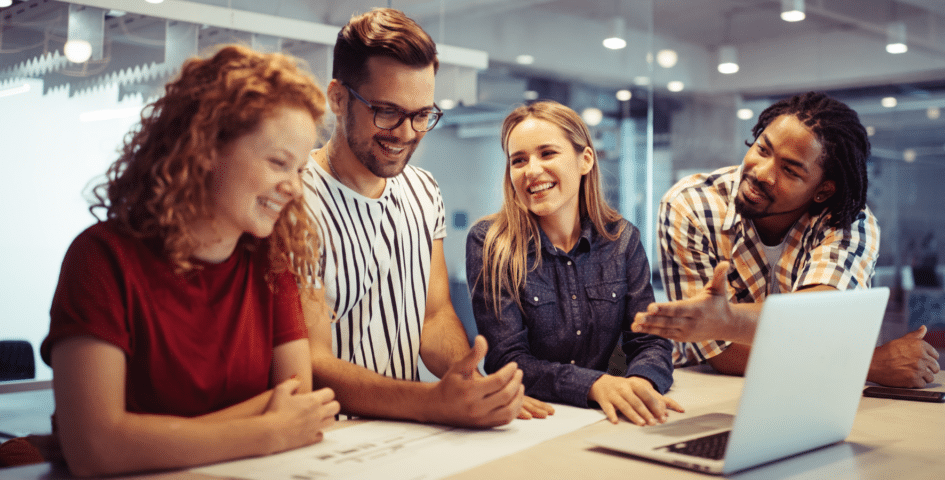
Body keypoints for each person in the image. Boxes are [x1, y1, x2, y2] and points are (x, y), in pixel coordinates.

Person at [39, 45, 340, 477]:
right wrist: (266, 431)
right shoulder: (101, 258)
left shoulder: (271, 262)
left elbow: (298, 399)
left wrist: (139, 439)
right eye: (278, 163)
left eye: (298, 171)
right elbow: (95, 449)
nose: (293, 188)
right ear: (205, 147)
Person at [301, 8, 525, 428]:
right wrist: (432, 402)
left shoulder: (423, 190)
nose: (406, 133)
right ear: (338, 97)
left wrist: (474, 386)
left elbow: (434, 317)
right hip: (329, 439)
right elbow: (312, 361)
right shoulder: (293, 198)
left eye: (422, 115)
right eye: (387, 112)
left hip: (406, 437)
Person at [633, 91, 941, 389]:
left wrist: (725, 320)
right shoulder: (691, 206)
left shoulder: (847, 220)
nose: (762, 173)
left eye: (790, 170)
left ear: (823, 190)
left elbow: (822, 317)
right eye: (762, 149)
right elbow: (720, 353)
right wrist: (867, 365)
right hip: (713, 393)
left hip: (816, 396)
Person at [466, 101, 683, 425]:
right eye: (519, 160)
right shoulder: (491, 243)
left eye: (547, 153)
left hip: (605, 416)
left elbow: (649, 339)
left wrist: (642, 383)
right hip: (531, 421)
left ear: (585, 160)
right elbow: (506, 360)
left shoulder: (622, 240)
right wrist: (594, 384)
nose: (532, 170)